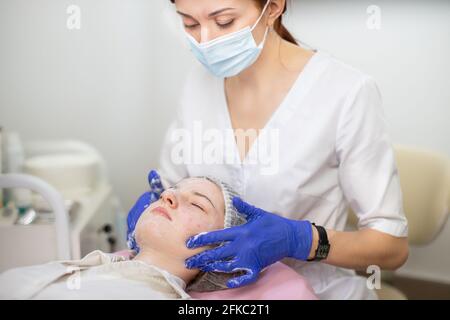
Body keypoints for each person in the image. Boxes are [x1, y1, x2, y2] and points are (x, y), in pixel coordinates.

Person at [128, 0, 409, 299]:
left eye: (223, 21)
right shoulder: (199, 82)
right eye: (189, 23)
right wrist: (155, 208)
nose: (205, 40)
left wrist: (300, 240)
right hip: (206, 293)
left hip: (314, 291)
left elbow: (392, 248)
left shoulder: (347, 93)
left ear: (273, 7)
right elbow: (170, 187)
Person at [0, 177, 247, 299]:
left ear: (219, 254)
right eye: (172, 189)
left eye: (197, 204)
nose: (168, 195)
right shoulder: (86, 268)